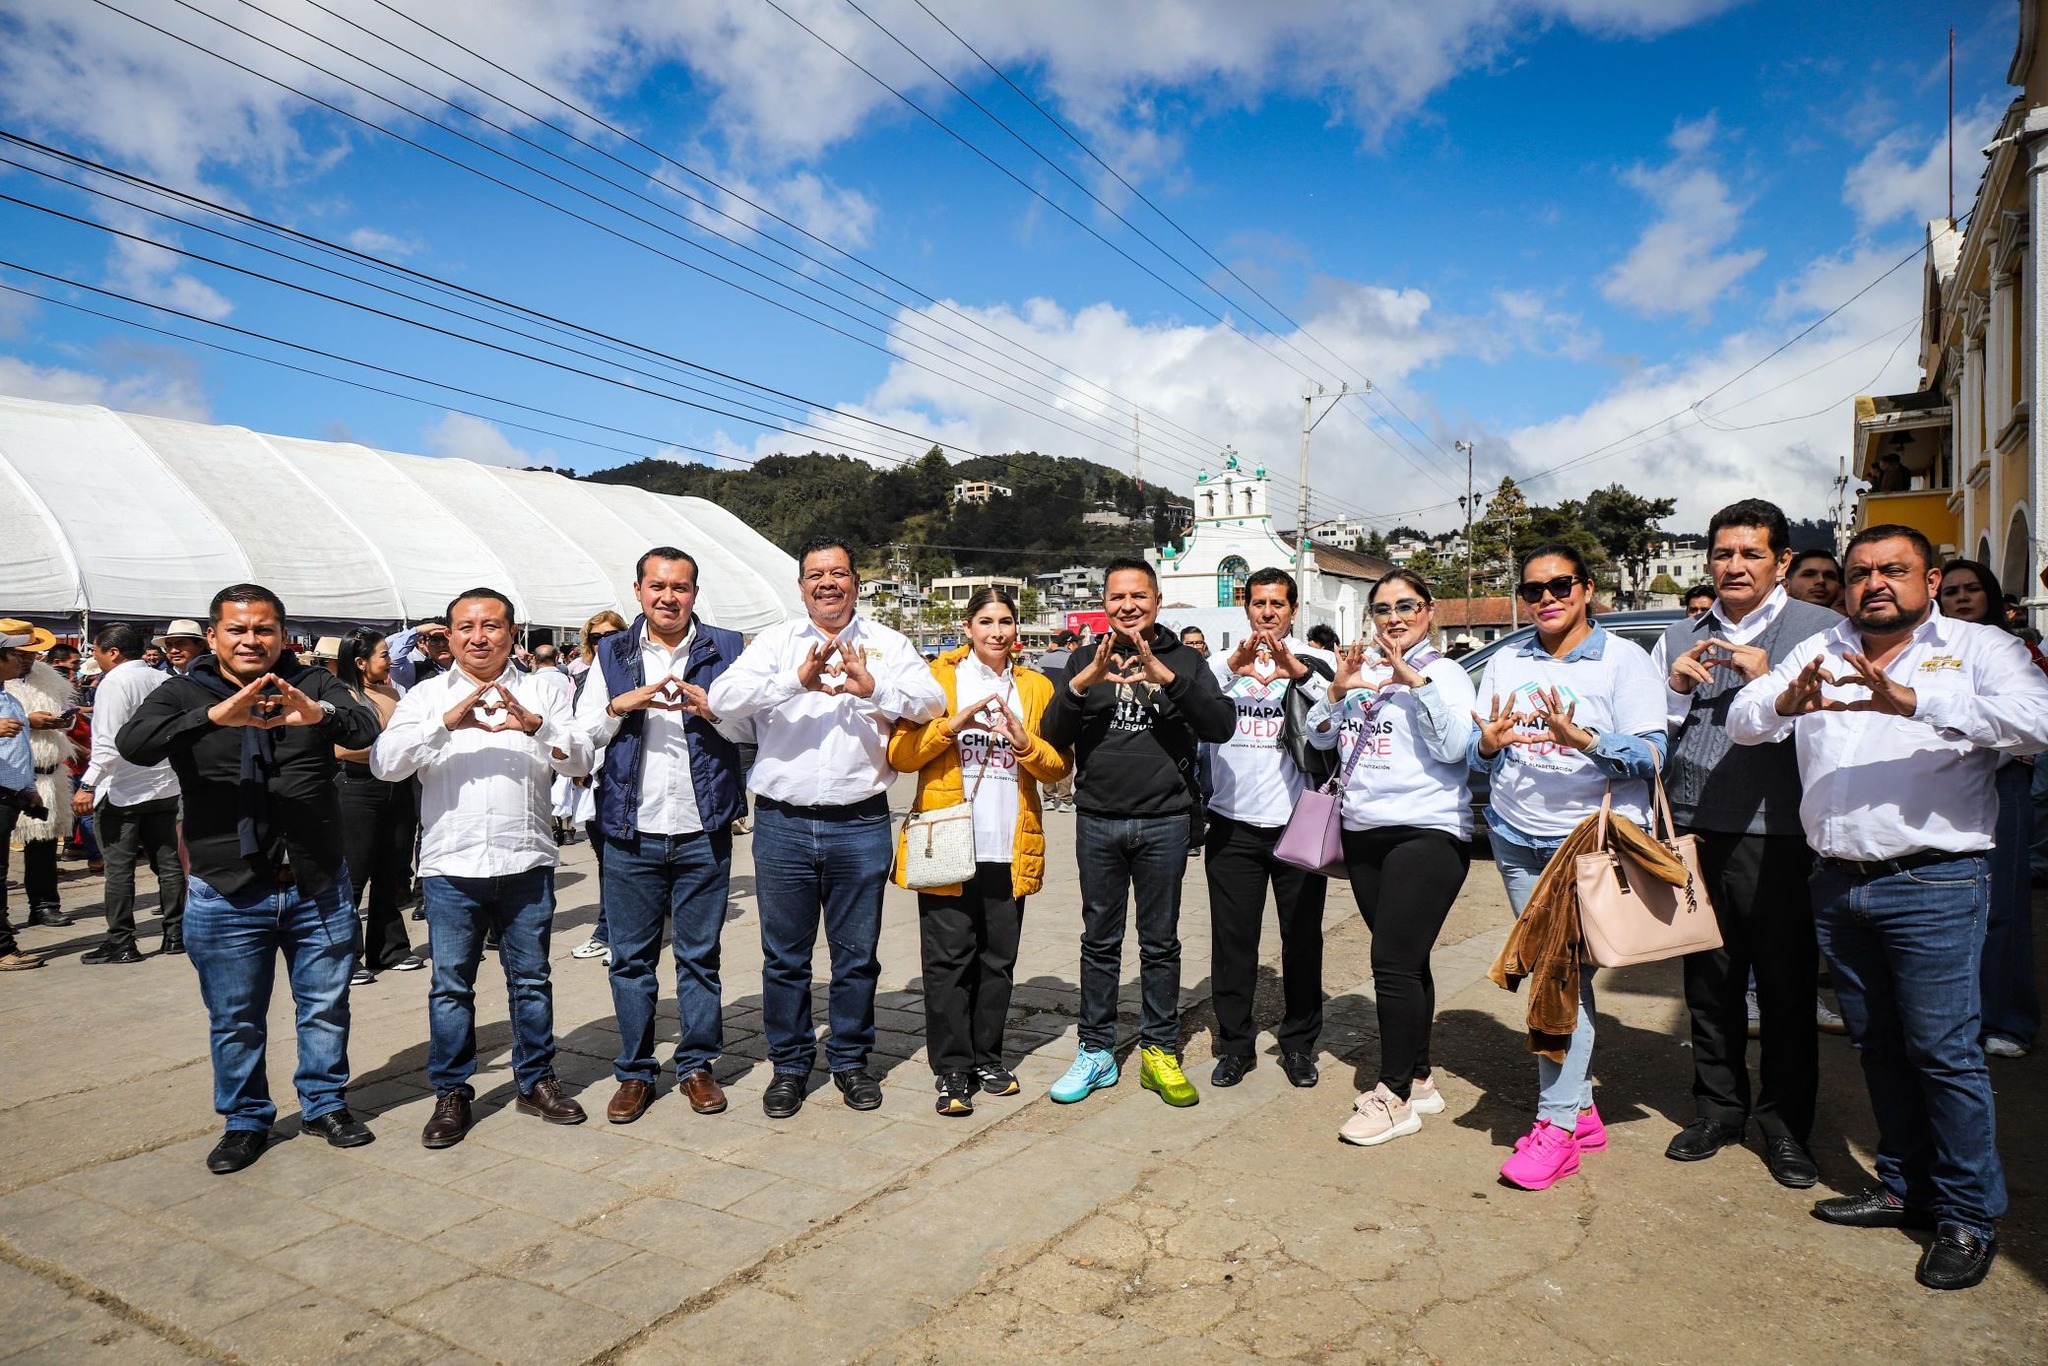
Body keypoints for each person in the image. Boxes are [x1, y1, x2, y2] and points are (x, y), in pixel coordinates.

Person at [1729, 525, 2048, 1290]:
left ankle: (1969, 1217)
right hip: (1837, 882)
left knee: (1944, 1054)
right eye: (1860, 571)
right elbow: (1744, 721)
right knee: (1876, 1047)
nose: (1874, 583)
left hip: (1935, 881)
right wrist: (1781, 699)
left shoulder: (1980, 650)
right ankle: (1906, 1186)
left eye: (1893, 570)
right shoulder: (1822, 648)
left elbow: (2038, 725)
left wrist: (1913, 699)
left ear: (1930, 581)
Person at [117, 585, 383, 1173]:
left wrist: (322, 717)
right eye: (237, 630)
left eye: (263, 629)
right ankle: (245, 1119)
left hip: (316, 881)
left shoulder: (313, 683)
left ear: (283, 635)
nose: (250, 641)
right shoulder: (185, 690)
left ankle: (323, 1103)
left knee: (324, 1005)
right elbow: (133, 744)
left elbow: (365, 729)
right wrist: (214, 717)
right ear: (213, 637)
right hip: (227, 885)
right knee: (236, 1016)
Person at [706, 538, 946, 1119]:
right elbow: (722, 697)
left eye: (839, 573)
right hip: (783, 824)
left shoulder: (886, 643)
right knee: (784, 956)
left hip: (860, 822)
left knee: (857, 955)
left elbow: (933, 702)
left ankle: (850, 1061)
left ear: (856, 582)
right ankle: (790, 1064)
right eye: (816, 575)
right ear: (801, 586)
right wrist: (795, 681)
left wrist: (876, 689)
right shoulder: (776, 642)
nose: (828, 583)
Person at [1652, 500, 1840, 1189]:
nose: (1734, 566)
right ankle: (1718, 1110)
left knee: (1787, 987)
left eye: (1750, 554)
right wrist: (1674, 691)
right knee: (1709, 981)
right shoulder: (1677, 634)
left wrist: (1767, 680)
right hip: (1696, 828)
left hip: (1782, 832)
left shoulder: (1822, 631)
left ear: (1782, 562)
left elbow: (1830, 729)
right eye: (1723, 554)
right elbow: (1653, 733)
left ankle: (1786, 1126)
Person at [1470, 543, 1667, 1191]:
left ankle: (1555, 1128)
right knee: (1557, 977)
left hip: (1585, 844)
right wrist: (1488, 746)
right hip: (1513, 834)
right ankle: (1581, 1112)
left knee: (1557, 978)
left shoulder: (1623, 662)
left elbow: (1652, 755)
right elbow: (1485, 752)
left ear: (1585, 590)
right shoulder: (1506, 659)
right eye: (1532, 590)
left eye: (1559, 585)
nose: (1546, 598)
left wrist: (1584, 740)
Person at [373, 587, 594, 1149]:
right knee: (451, 985)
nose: (479, 637)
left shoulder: (545, 688)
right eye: (466, 627)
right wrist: (446, 722)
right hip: (453, 865)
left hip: (527, 860)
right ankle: (452, 1091)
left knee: (532, 979)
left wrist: (536, 726)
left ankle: (536, 1081)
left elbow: (582, 759)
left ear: (511, 633)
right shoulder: (425, 697)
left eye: (492, 626)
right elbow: (386, 766)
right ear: (448, 637)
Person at [1039, 559, 1236, 1108]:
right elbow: (1052, 737)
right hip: (1098, 820)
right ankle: (1096, 1051)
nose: (1128, 605)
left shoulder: (1186, 660)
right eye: (1117, 596)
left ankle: (1159, 1050)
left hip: (1165, 822)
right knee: (1098, 942)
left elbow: (1220, 725)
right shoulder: (1085, 658)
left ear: (1157, 599)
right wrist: (1081, 684)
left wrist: (1166, 677)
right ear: (1104, 603)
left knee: (1160, 943)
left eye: (1139, 595)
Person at [576, 549, 750, 1124]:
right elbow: (582, 739)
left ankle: (698, 1066)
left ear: (695, 593)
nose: (667, 597)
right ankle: (635, 1071)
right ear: (638, 590)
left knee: (700, 957)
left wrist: (712, 710)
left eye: (679, 587)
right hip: (630, 829)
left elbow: (751, 728)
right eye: (657, 586)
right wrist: (620, 704)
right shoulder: (614, 650)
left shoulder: (727, 647)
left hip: (702, 828)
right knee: (630, 960)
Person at [1306, 571, 1474, 1145]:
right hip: (1363, 833)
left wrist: (1415, 682)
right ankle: (1422, 1079)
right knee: (1410, 960)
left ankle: (1394, 1094)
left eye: (1407, 606)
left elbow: (1456, 749)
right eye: (1382, 609)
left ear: (1429, 611)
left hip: (1426, 832)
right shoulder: (1361, 672)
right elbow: (1321, 739)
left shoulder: (1446, 673)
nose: (1394, 617)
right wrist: (1336, 691)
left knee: (1392, 964)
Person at [889, 588, 1069, 1116]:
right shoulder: (937, 680)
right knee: (947, 962)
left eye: (1006, 622)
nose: (997, 631)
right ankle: (951, 1069)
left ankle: (988, 1056)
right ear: (968, 628)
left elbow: (1058, 768)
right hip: (947, 837)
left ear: (1017, 629)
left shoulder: (1035, 687)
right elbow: (901, 755)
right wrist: (951, 727)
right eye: (986, 621)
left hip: (1008, 841)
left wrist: (1022, 741)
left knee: (998, 959)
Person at [1203, 567, 1336, 1090]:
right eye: (1259, 603)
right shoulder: (1222, 664)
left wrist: (1296, 670)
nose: (1268, 612)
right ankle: (1235, 1045)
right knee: (1233, 942)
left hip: (1297, 824)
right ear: (1246, 607)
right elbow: (1191, 702)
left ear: (1294, 609)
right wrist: (1233, 666)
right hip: (1232, 823)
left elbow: (1335, 715)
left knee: (1301, 939)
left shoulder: (1314, 660)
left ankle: (1300, 1045)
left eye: (1278, 603)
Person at [1935, 558, 2039, 1060]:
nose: (1960, 598)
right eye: (1951, 590)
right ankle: (1962, 1018)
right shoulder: (1927, 649)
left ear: (1991, 595)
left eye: (1971, 589)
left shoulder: (2016, 650)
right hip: (1940, 791)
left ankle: (2009, 1021)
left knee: (2004, 907)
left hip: (2002, 785)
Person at [75, 625, 184, 961]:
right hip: (163, 785)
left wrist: (88, 784)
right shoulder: (163, 680)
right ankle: (176, 934)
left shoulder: (114, 683)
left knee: (119, 868)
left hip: (122, 788)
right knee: (168, 865)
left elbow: (108, 743)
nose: (94, 658)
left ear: (113, 652)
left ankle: (122, 941)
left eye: (95, 650)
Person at [333, 628, 422, 985]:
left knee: (392, 871)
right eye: (384, 655)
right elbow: (339, 749)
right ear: (360, 662)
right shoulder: (341, 696)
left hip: (397, 789)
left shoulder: (390, 692)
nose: (391, 661)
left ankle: (389, 950)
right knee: (353, 877)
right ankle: (345, 956)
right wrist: (387, 753)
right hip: (356, 790)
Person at [3, 628, 78, 933]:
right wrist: (28, 721)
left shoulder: (49, 678)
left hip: (48, 773)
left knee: (44, 844)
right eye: (19, 654)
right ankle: (3, 915)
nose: (26, 660)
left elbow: (66, 716)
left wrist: (64, 721)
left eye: (31, 653)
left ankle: (45, 904)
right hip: (8, 774)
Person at [568, 610, 628, 963]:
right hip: (592, 780)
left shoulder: (629, 675)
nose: (604, 643)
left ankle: (612, 933)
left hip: (620, 779)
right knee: (605, 861)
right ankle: (611, 931)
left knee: (618, 862)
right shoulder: (582, 678)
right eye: (596, 638)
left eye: (612, 636)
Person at [0, 620, 57, 970]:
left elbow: (18, 749)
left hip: (10, 795)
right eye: (13, 655)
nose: (22, 661)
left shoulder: (9, 697)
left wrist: (28, 788)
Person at [384, 617, 452, 692]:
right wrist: (417, 631)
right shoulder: (416, 672)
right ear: (424, 644)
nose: (441, 644)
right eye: (434, 640)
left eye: (445, 639)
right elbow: (394, 660)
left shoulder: (464, 668)